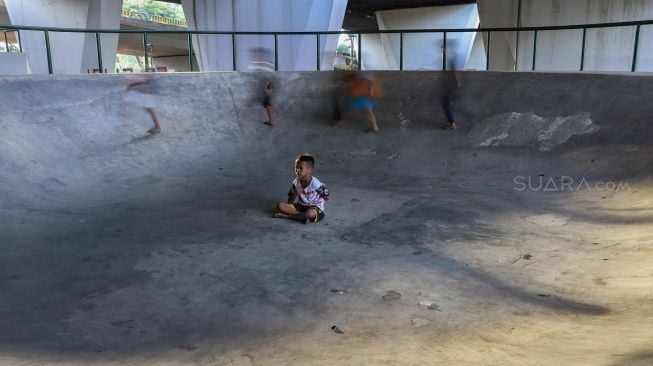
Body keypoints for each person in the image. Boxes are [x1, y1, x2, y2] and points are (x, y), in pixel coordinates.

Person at [274, 154, 330, 224]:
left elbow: (327, 197)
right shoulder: (296, 182)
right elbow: (290, 202)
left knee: (309, 213)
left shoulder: (316, 183)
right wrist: (295, 193)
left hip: (314, 207)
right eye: (296, 167)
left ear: (310, 170)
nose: (297, 170)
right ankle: (302, 217)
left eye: (301, 168)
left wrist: (322, 195)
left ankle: (287, 216)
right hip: (301, 206)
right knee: (280, 205)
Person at [440, 39, 462, 130]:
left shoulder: (452, 57)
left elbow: (455, 70)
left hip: (450, 85)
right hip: (450, 84)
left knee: (446, 104)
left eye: (444, 48)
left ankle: (452, 124)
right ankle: (451, 123)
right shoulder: (452, 57)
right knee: (447, 104)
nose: (443, 50)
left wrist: (458, 82)